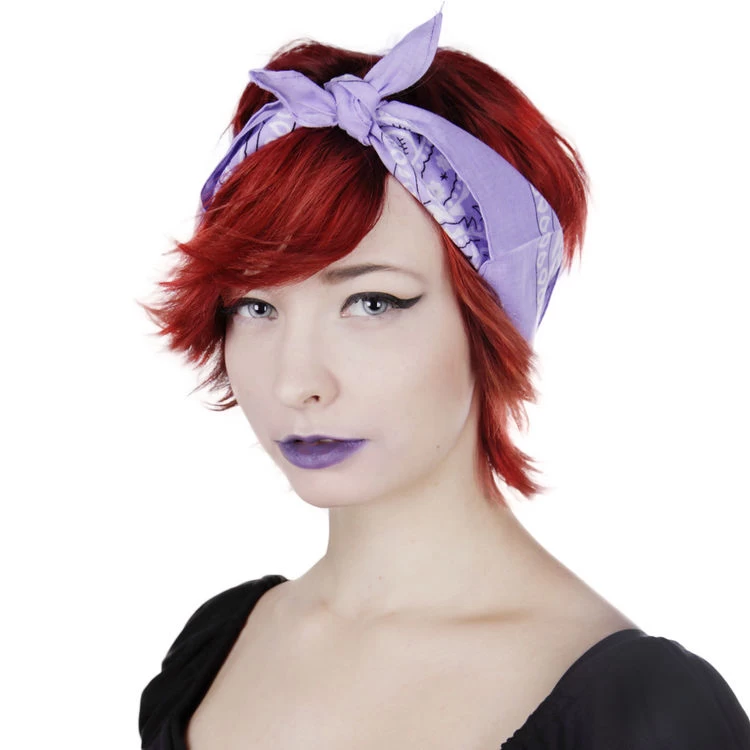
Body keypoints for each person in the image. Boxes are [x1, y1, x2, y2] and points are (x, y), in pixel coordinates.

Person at [137, 10, 750, 750]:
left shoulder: (640, 714)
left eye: (372, 302)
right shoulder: (217, 647)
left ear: (491, 316)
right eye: (256, 307)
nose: (297, 381)